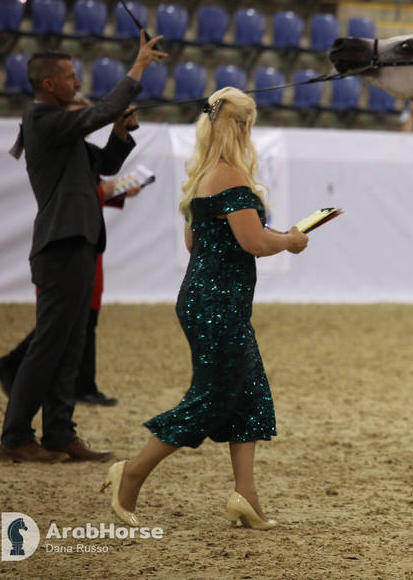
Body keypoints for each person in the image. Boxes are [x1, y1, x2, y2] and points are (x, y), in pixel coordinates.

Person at [103, 87, 309, 530]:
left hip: (205, 299)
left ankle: (246, 497)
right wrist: (289, 241)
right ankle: (132, 472)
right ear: (242, 127)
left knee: (250, 397)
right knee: (213, 398)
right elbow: (254, 243)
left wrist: (264, 230)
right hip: (219, 304)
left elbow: (194, 241)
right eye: (247, 124)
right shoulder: (232, 177)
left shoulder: (203, 178)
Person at [0, 30, 166, 464]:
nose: (77, 83)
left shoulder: (62, 132)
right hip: (61, 246)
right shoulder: (41, 120)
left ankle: (58, 433)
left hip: (77, 244)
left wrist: (120, 132)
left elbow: (106, 165)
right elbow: (103, 108)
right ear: (49, 84)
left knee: (70, 344)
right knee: (50, 344)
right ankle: (15, 436)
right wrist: (138, 67)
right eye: (71, 77)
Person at [0, 174, 142, 407]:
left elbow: (90, 192)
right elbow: (77, 195)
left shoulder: (78, 154)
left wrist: (115, 191)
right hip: (71, 244)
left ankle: (80, 385)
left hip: (84, 241)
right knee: (65, 320)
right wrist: (109, 189)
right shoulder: (64, 154)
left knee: (80, 319)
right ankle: (14, 364)